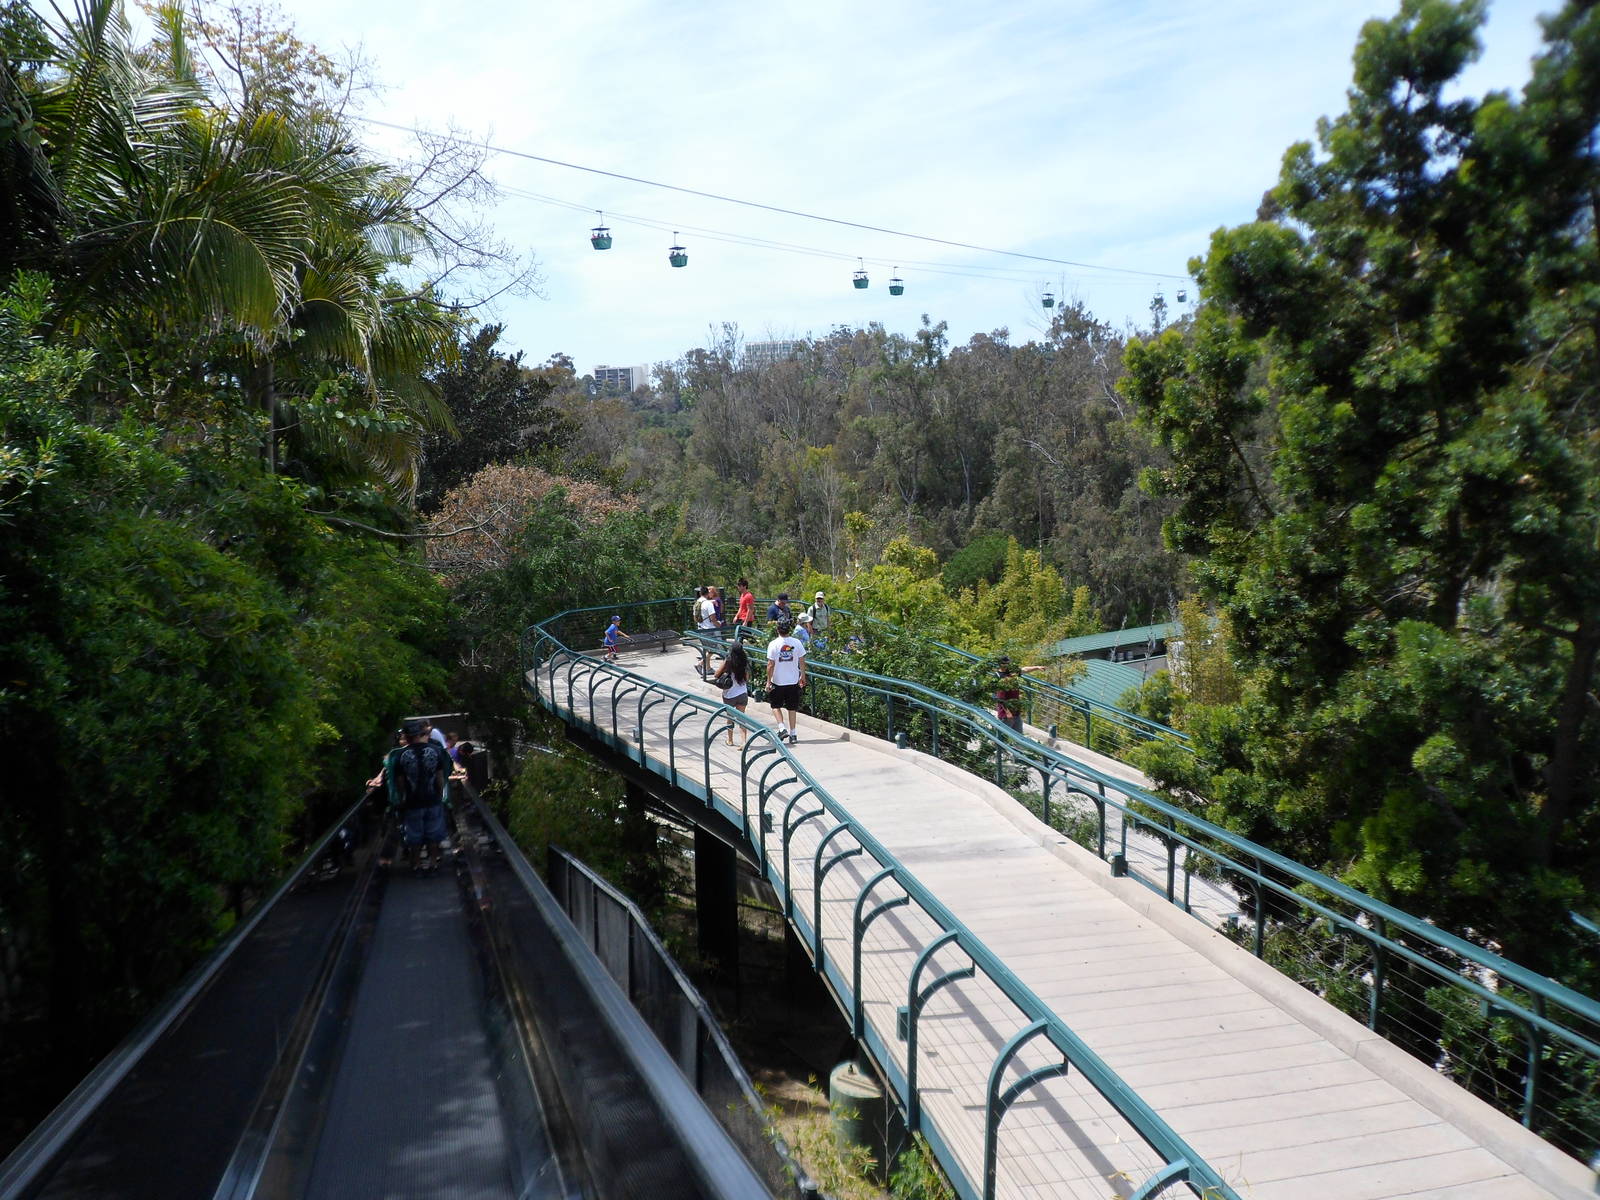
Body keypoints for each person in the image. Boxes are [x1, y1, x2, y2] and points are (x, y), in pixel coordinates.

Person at [393, 718, 453, 872]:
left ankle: (417, 864)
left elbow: (399, 782)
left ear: (407, 737)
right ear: (422, 734)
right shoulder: (435, 751)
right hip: (432, 799)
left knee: (414, 835)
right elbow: (440, 778)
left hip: (412, 802)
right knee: (433, 834)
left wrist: (402, 797)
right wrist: (440, 794)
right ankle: (433, 862)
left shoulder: (401, 755)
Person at [766, 617, 807, 745]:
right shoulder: (797, 643)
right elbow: (802, 661)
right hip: (793, 680)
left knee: (775, 706)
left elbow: (770, 664)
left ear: (777, 629)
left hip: (778, 681)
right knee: (792, 708)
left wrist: (768, 681)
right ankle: (793, 734)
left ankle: (782, 728)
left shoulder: (773, 644)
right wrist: (803, 676)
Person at [711, 641, 751, 747]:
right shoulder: (745, 662)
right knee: (742, 718)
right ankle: (743, 742)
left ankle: (730, 740)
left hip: (729, 694)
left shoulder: (728, 661)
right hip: (742, 693)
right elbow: (747, 679)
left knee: (730, 718)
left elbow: (716, 674)